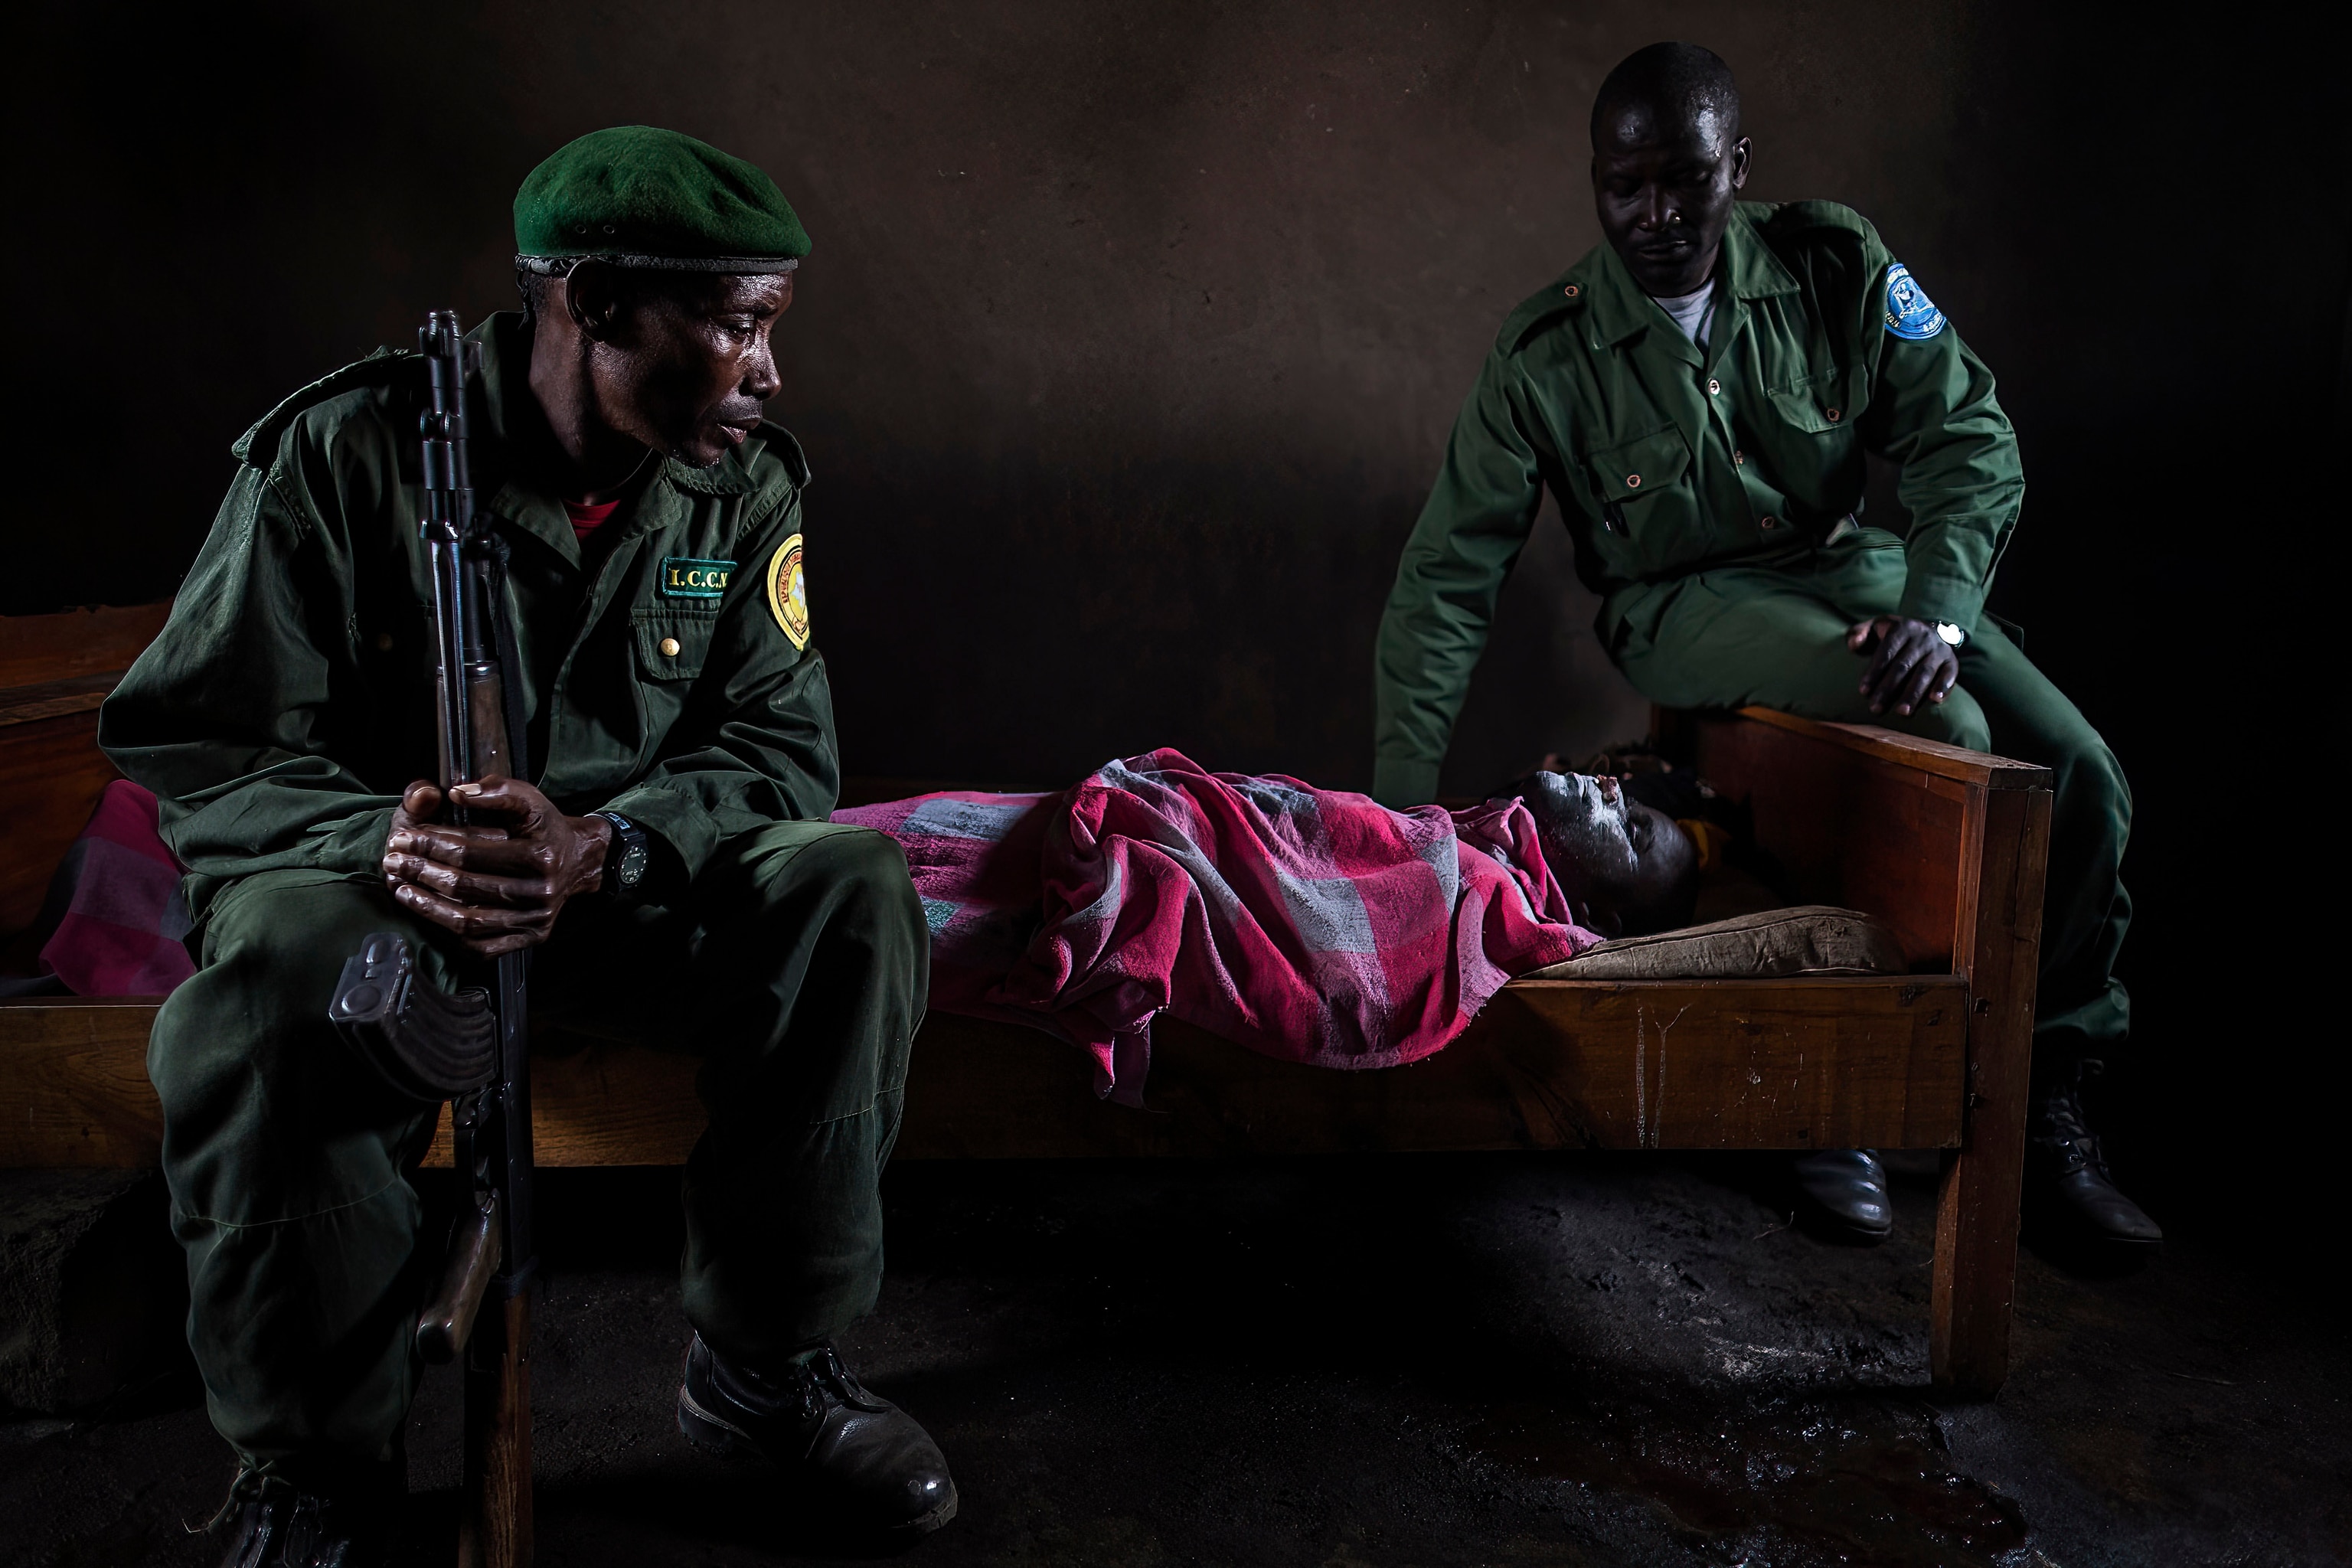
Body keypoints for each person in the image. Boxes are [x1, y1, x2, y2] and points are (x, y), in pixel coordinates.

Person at [100, 126, 956, 1563]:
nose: (770, 372)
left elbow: (778, 754)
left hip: (616, 895)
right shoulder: (347, 454)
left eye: (770, 328)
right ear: (596, 303)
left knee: (850, 888)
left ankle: (765, 1368)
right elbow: (197, 742)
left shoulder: (741, 488)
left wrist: (610, 845)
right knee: (268, 983)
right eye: (738, 326)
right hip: (388, 902)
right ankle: (316, 1469)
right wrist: (390, 838)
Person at [1371, 44, 2154, 1251]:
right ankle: (1842, 1084)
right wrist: (1394, 814)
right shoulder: (1547, 356)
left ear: (1737, 166)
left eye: (1686, 179)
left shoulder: (1832, 263)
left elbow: (1967, 432)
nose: (1656, 214)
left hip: (1856, 574)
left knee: (2085, 769)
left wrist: (1940, 611)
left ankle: (2046, 1096)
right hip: (1684, 604)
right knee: (1945, 729)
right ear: (1596, 182)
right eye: (1624, 186)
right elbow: (1446, 580)